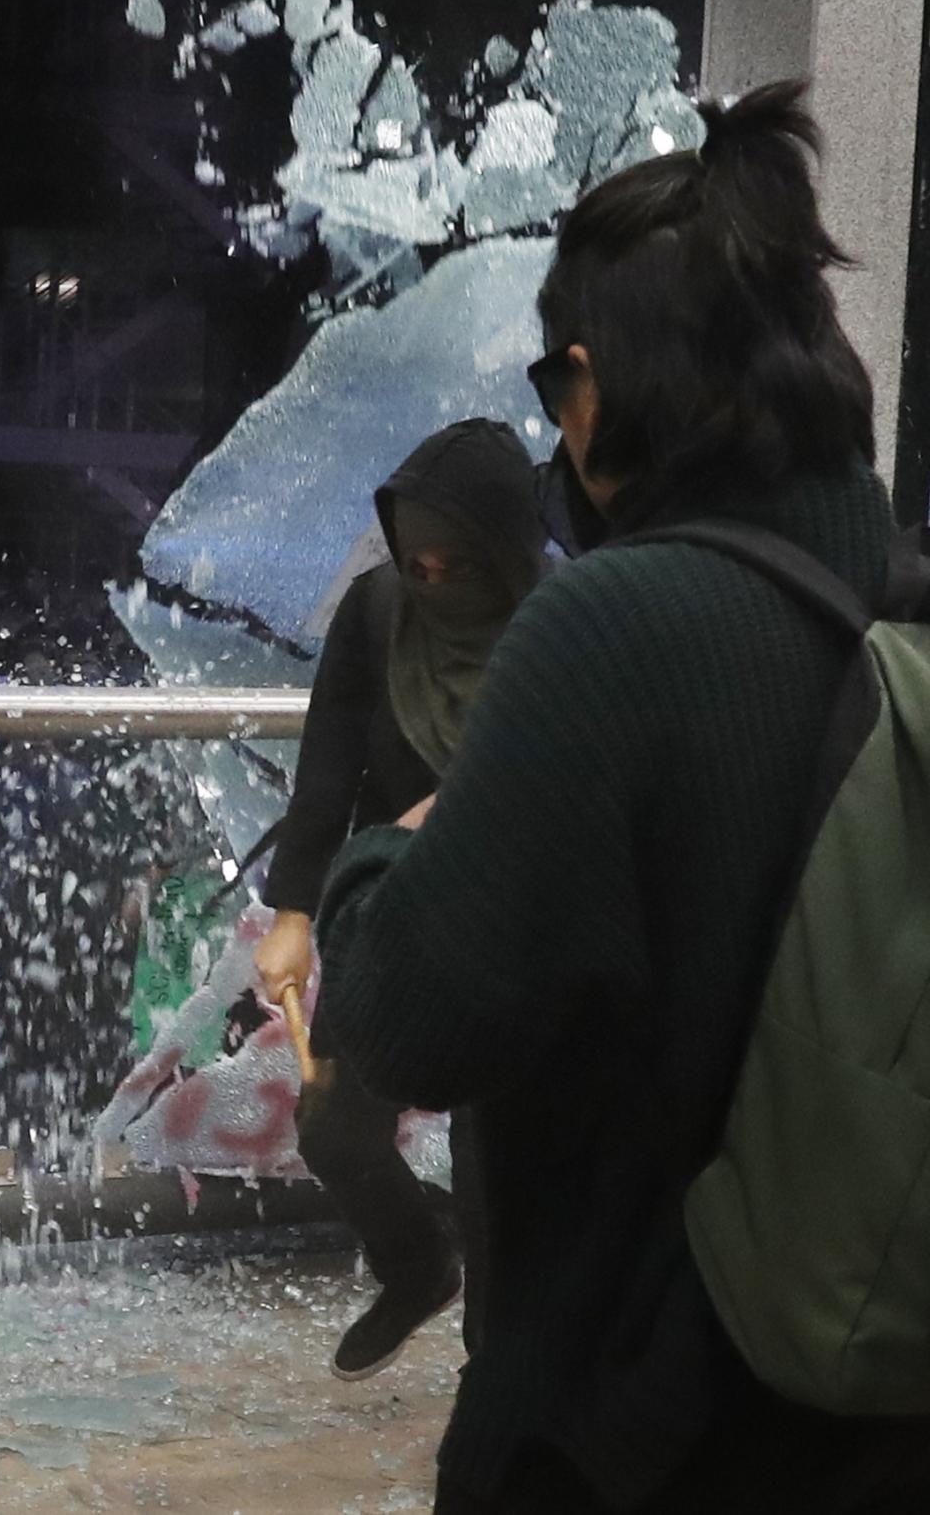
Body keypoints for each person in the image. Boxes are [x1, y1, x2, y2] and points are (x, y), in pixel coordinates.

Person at [315, 82, 930, 1510]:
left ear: (596, 386)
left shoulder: (616, 629)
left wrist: (377, 862)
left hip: (635, 1429)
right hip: (870, 1409)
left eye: (553, 384)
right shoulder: (898, 599)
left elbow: (409, 1019)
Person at [252, 418, 543, 1382]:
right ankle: (418, 1267)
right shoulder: (378, 614)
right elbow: (327, 766)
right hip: (396, 918)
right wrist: (293, 911)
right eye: (411, 561)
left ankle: (490, 1382)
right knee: (334, 1122)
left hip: (521, 928)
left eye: (448, 566)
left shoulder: (562, 625)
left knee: (494, 1169)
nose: (426, 584)